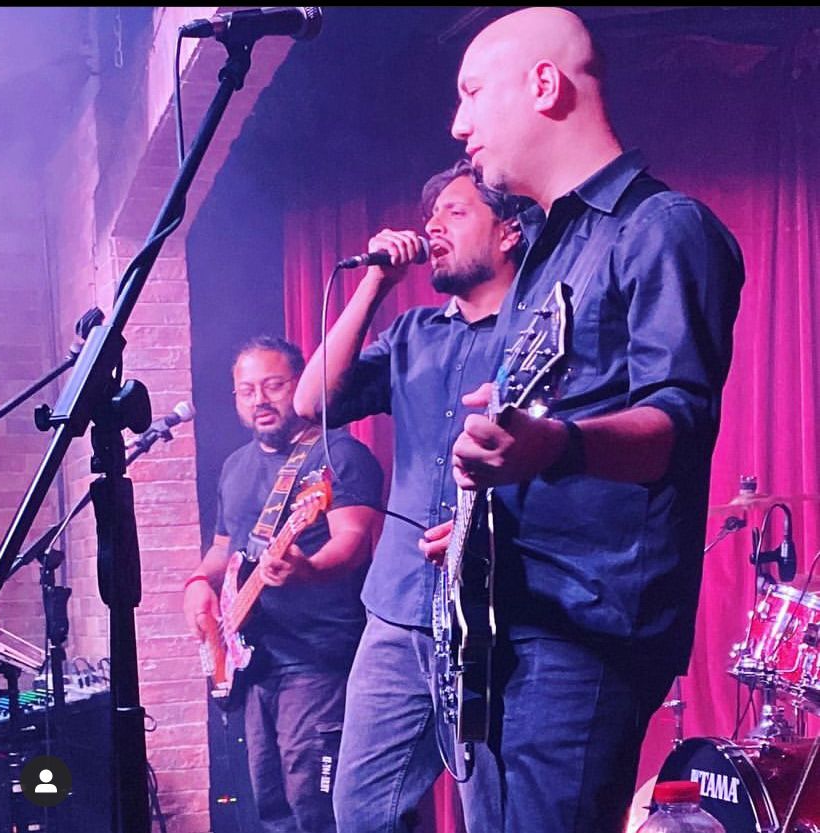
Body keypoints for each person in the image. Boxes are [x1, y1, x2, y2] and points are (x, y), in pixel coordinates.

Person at [422, 6, 745, 833]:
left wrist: (550, 446)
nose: (458, 124)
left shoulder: (662, 228)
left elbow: (678, 423)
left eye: (472, 92)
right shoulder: (545, 250)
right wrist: (482, 518)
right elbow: (538, 418)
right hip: (506, 612)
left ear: (544, 85)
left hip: (584, 629)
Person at [293, 158, 529, 832]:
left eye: (455, 212)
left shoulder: (538, 333)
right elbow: (310, 402)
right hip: (397, 612)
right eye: (430, 217)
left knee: (496, 815)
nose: (434, 227)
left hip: (498, 617)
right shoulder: (411, 334)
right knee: (362, 810)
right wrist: (375, 283)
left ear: (509, 231)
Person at [183, 335, 384, 833]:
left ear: (301, 385)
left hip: (319, 657)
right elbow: (223, 549)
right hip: (254, 659)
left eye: (273, 385)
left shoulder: (337, 456)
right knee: (271, 804)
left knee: (315, 803)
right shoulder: (235, 466)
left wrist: (308, 569)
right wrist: (198, 583)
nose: (260, 399)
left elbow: (353, 541)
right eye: (247, 390)